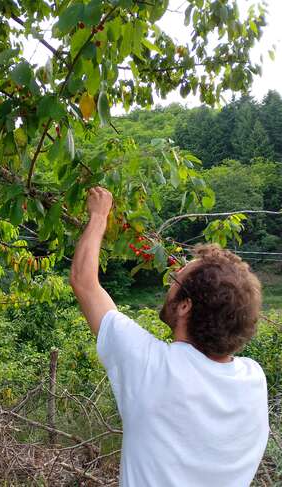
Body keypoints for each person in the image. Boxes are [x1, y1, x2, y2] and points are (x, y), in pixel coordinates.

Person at [69, 186, 269, 487]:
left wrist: (99, 215)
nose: (169, 283)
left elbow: (84, 282)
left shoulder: (152, 367)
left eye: (177, 278)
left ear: (185, 305)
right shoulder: (253, 380)